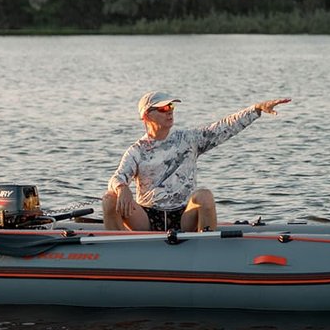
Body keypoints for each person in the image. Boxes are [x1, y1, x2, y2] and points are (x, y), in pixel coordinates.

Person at [103, 91, 290, 232]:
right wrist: (122, 188)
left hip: (184, 215)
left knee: (204, 196)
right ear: (146, 116)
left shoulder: (189, 139)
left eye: (171, 107)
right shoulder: (137, 150)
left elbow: (224, 127)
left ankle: (206, 250)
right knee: (109, 199)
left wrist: (256, 109)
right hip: (147, 217)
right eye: (163, 108)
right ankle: (117, 253)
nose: (169, 112)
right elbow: (117, 177)